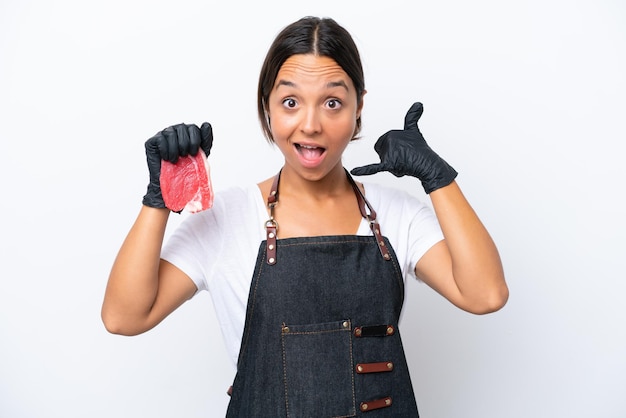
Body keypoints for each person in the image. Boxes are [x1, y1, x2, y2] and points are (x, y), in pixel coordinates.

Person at [102, 16, 508, 417]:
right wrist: (158, 199)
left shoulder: (396, 214)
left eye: (332, 102)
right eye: (291, 102)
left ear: (358, 107)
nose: (311, 125)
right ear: (268, 107)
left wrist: (438, 178)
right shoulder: (227, 218)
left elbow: (485, 294)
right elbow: (124, 317)